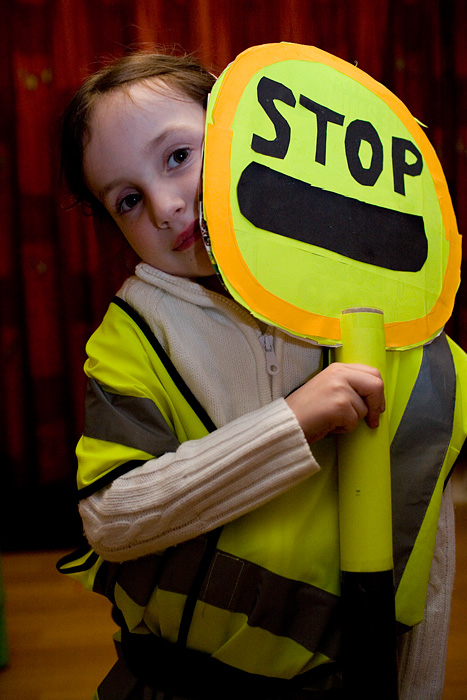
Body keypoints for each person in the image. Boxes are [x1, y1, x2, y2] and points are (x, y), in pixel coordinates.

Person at [58, 50, 465, 700]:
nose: (164, 206)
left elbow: (425, 556)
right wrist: (292, 423)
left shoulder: (395, 329)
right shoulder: (132, 338)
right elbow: (109, 520)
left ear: (241, 131)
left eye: (176, 156)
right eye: (128, 200)